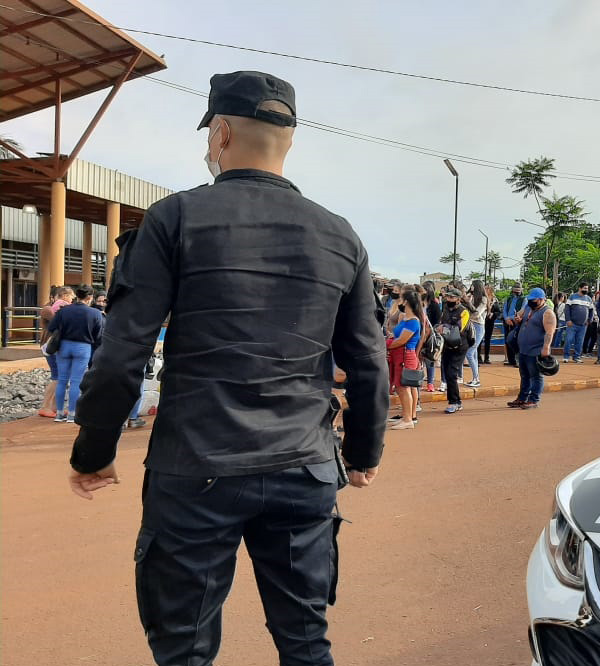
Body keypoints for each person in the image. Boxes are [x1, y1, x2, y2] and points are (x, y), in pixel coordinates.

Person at [68, 72, 388, 666]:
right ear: (288, 140)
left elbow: (122, 356)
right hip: (305, 466)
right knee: (306, 640)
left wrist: (94, 451)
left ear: (220, 133)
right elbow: (368, 361)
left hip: (196, 465)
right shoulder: (342, 236)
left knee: (186, 647)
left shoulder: (174, 219)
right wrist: (365, 452)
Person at [48, 285, 103, 423]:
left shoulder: (64, 311)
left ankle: (59, 414)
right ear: (89, 298)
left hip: (64, 346)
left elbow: (51, 327)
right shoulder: (95, 313)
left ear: (76, 296)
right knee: (76, 381)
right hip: (83, 347)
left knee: (62, 380)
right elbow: (98, 336)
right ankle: (72, 414)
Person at [507, 288, 556, 410]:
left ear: (541, 299)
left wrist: (546, 348)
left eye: (533, 300)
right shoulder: (529, 308)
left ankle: (533, 399)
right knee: (524, 375)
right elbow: (519, 314)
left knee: (535, 376)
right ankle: (522, 398)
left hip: (535, 350)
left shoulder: (547, 313)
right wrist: (517, 319)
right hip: (523, 349)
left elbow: (549, 332)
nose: (530, 302)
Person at [387, 289, 423, 430]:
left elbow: (401, 340)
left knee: (403, 387)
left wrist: (387, 345)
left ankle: (408, 419)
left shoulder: (413, 321)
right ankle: (406, 416)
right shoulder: (406, 318)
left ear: (406, 301)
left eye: (402, 298)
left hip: (405, 355)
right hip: (400, 355)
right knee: (401, 387)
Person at [38, 285, 74, 418]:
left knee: (60, 377)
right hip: (51, 346)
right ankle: (45, 406)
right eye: (71, 297)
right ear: (62, 296)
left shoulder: (59, 308)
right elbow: (60, 322)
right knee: (57, 376)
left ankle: (53, 407)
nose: (72, 300)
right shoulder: (48, 309)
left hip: (56, 346)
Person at [438, 287, 472, 413]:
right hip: (447, 344)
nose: (449, 299)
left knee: (452, 373)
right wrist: (439, 327)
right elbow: (440, 322)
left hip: (460, 346)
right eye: (447, 297)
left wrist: (444, 327)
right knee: (447, 373)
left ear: (458, 299)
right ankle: (453, 400)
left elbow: (459, 328)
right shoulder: (446, 309)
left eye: (452, 297)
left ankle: (455, 402)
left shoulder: (464, 312)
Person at [463, 279, 488, 388]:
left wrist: (468, 303)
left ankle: (477, 379)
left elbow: (477, 314)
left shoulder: (483, 299)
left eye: (472, 286)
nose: (471, 287)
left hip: (478, 326)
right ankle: (475, 378)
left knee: (470, 351)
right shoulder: (472, 297)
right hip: (470, 326)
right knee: (473, 354)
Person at [563, 283, 593, 364]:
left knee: (580, 341)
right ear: (580, 288)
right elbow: (567, 309)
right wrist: (568, 320)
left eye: (587, 288)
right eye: (584, 288)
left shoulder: (589, 299)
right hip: (572, 324)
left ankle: (577, 357)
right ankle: (566, 356)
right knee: (569, 340)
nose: (586, 290)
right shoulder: (572, 297)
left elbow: (591, 310)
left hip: (583, 325)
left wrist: (589, 320)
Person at [420, 282, 441, 392]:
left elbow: (437, 321)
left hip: (430, 335)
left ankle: (430, 382)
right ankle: (420, 380)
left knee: (429, 359)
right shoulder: (419, 304)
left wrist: (429, 331)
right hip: (420, 333)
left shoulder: (434, 305)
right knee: (419, 359)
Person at [502, 283, 525, 366]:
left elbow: (523, 310)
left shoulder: (524, 299)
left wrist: (511, 318)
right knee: (507, 340)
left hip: (516, 322)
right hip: (507, 322)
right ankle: (510, 360)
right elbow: (504, 310)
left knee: (515, 340)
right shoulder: (508, 299)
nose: (516, 292)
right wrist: (506, 318)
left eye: (518, 290)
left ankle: (517, 360)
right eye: (515, 290)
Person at [480, 285, 499, 365]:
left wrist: (493, 314)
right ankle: (478, 357)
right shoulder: (481, 298)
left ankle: (487, 357)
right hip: (481, 321)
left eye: (488, 288)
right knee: (480, 339)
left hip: (490, 322)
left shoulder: (495, 300)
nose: (486, 290)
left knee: (488, 339)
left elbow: (498, 311)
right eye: (485, 288)